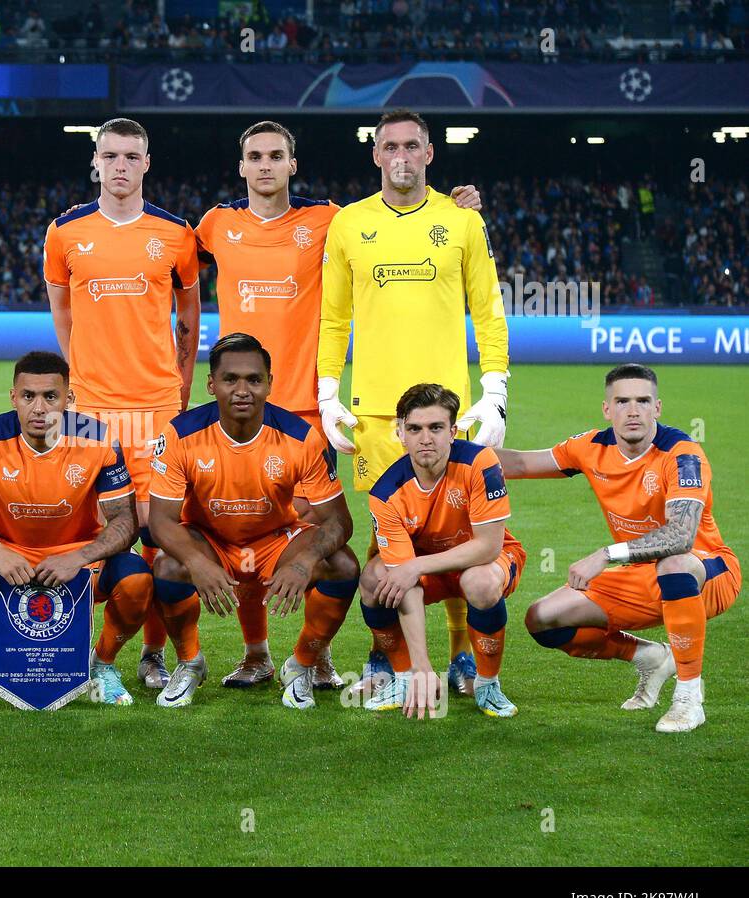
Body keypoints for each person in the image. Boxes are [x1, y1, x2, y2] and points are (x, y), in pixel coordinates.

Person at [194, 118, 481, 689]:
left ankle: (316, 653)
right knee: (244, 532)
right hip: (238, 409)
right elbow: (159, 268)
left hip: (304, 411)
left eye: (277, 155)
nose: (266, 165)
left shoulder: (330, 219)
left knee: (322, 545)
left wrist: (456, 206)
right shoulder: (213, 225)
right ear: (242, 166)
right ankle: (256, 653)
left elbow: (400, 214)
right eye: (255, 156)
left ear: (292, 165)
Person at [318, 108, 508, 697]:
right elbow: (334, 316)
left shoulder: (462, 221)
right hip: (376, 410)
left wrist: (495, 387)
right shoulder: (349, 224)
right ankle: (386, 656)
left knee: (455, 532)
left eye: (412, 145)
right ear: (375, 155)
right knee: (386, 537)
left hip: (450, 411)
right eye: (389, 146)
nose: (400, 155)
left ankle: (461, 657)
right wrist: (327, 390)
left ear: (430, 153)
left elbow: (488, 309)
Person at [43, 116, 201, 693]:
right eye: (110, 156)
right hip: (90, 411)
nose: (120, 166)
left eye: (131, 157)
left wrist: (178, 391)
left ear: (146, 163)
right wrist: (81, 374)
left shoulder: (176, 233)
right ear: (96, 162)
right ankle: (67, 648)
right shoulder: (64, 233)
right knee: (86, 535)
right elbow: (62, 310)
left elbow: (189, 319)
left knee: (161, 534)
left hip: (156, 408)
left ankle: (158, 655)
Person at [495, 364, 739, 733]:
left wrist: (607, 555)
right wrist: (454, 450)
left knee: (673, 564)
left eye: (643, 401)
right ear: (607, 409)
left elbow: (680, 539)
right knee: (543, 619)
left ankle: (689, 697)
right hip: (641, 576)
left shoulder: (682, 454)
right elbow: (521, 463)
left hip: (707, 574)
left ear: (657, 407)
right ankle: (650, 657)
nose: (633, 410)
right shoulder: (591, 446)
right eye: (622, 401)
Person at [0, 350, 152, 706]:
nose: (39, 408)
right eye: (28, 396)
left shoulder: (98, 438)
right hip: (3, 559)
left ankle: (102, 665)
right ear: (13, 397)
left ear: (68, 398)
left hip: (78, 560)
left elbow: (125, 520)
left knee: (137, 579)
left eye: (50, 396)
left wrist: (79, 557)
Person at [146, 333, 360, 709]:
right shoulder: (180, 434)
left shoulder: (301, 437)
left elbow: (340, 522)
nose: (242, 390)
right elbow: (160, 521)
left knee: (342, 565)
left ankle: (302, 664)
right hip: (211, 540)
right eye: (231, 379)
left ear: (269, 384)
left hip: (276, 539)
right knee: (167, 566)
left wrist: (304, 562)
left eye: (254, 379)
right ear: (211, 384)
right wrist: (197, 562)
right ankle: (189, 662)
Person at [358, 383, 524, 718]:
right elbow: (404, 583)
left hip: (484, 560)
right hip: (427, 571)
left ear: (453, 432)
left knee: (480, 582)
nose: (426, 438)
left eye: (436, 428)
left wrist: (416, 567)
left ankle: (488, 683)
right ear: (401, 433)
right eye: (415, 429)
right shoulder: (385, 493)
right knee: (375, 579)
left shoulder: (481, 462)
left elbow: (488, 547)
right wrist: (421, 666)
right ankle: (405, 677)